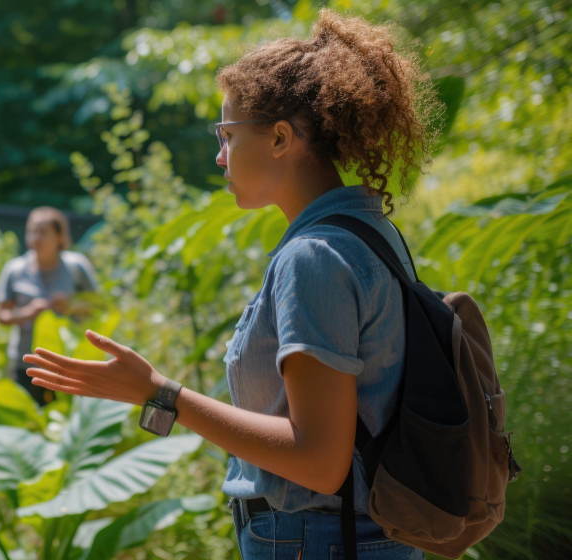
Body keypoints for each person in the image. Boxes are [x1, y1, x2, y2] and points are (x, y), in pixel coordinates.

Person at [23, 11, 434, 559]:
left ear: (281, 138)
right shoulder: (371, 232)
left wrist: (159, 393)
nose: (219, 155)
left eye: (226, 134)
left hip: (316, 541)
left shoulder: (313, 257)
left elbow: (319, 461)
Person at [0, 207, 99, 406]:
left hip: (67, 361)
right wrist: (28, 312)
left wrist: (69, 306)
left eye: (43, 232)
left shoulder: (76, 267)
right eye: (32, 231)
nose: (36, 238)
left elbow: (97, 307)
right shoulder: (15, 269)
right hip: (25, 361)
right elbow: (2, 316)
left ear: (59, 237)